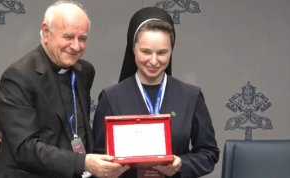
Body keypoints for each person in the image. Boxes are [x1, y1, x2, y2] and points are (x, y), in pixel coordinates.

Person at [0, 1, 128, 178]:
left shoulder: (84, 71)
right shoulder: (18, 77)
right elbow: (25, 150)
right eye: (68, 37)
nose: (76, 46)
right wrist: (83, 162)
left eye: (82, 38)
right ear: (46, 32)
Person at [93, 7, 219, 178]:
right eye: (145, 51)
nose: (153, 61)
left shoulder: (191, 96)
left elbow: (209, 153)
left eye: (162, 53)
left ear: (171, 52)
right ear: (133, 49)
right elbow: (98, 159)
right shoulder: (110, 97)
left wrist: (181, 164)